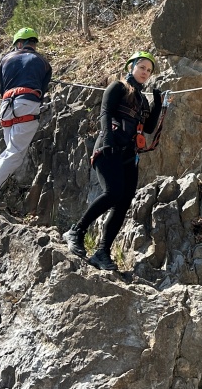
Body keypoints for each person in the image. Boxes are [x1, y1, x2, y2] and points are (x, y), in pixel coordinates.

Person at [63, 50, 165, 272]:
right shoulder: (118, 87)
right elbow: (106, 112)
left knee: (123, 201)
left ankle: (102, 252)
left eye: (149, 70)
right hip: (108, 148)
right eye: (142, 67)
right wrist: (107, 139)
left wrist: (157, 103)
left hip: (128, 155)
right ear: (131, 67)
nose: (145, 72)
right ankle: (76, 231)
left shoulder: (142, 99)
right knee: (113, 192)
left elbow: (148, 128)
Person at [0, 27, 53, 211]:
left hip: (7, 105)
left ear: (19, 43)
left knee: (11, 151)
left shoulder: (5, 59)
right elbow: (42, 89)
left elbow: (2, 88)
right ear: (33, 43)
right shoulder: (43, 62)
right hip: (27, 103)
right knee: (15, 152)